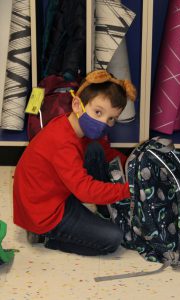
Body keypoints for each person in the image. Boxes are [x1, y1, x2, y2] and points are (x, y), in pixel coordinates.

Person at [13, 69, 137, 256]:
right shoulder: (62, 142)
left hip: (54, 193)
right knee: (113, 239)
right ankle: (45, 237)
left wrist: (133, 164)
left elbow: (106, 152)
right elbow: (85, 190)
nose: (103, 122)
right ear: (77, 105)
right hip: (44, 213)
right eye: (98, 112)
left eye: (111, 118)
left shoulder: (76, 126)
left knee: (95, 150)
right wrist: (129, 190)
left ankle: (104, 211)